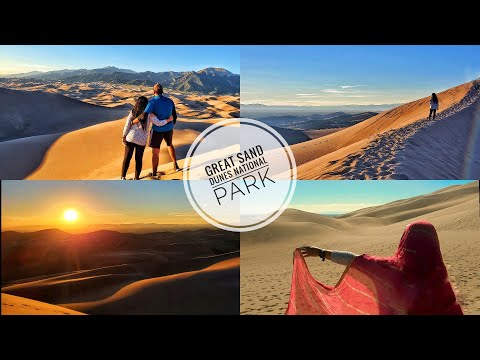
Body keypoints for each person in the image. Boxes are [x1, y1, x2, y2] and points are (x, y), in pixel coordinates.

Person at [287, 220, 463, 315]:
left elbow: (354, 260)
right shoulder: (442, 282)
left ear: (405, 241)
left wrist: (321, 253)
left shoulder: (390, 271)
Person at [132, 83, 180, 179]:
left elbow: (144, 115)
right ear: (162, 91)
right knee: (170, 145)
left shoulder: (152, 102)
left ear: (154, 91)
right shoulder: (170, 101)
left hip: (157, 130)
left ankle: (154, 173)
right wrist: (171, 123)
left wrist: (133, 122)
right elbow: (174, 115)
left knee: (155, 151)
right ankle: (175, 165)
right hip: (169, 129)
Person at [121, 96, 173, 180]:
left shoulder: (133, 112)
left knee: (127, 158)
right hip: (141, 140)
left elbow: (127, 125)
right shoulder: (150, 114)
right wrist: (168, 120)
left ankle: (123, 177)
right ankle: (136, 178)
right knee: (138, 159)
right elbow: (159, 123)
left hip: (130, 137)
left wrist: (124, 136)